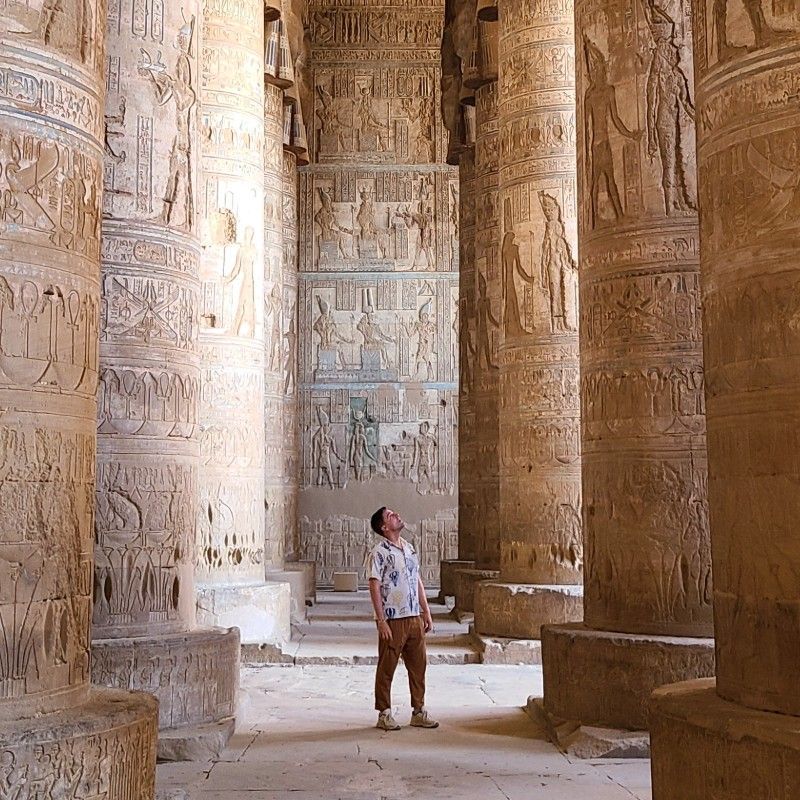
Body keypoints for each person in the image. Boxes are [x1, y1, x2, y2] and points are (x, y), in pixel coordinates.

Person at [367, 506, 439, 731]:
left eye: (395, 513)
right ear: (384, 527)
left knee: (419, 666)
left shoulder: (408, 548)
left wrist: (425, 611)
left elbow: (416, 579)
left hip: (413, 615)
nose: (397, 515)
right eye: (390, 515)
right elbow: (374, 584)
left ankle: (418, 710)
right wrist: (381, 620)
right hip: (393, 618)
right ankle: (384, 713)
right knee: (387, 666)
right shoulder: (379, 552)